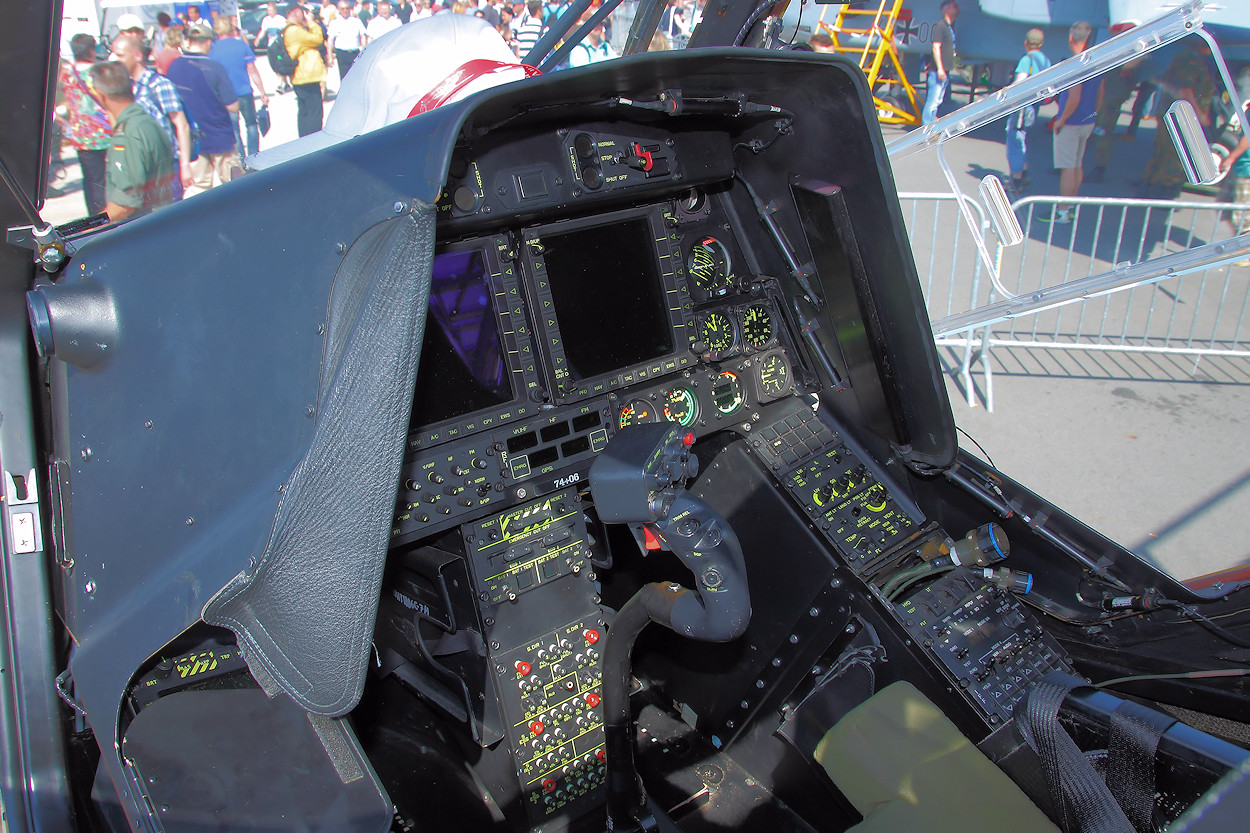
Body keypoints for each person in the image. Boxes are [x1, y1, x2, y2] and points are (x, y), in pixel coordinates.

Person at [87, 61, 174, 221]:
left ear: (100, 95)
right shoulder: (147, 122)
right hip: (162, 221)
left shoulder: (127, 135)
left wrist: (90, 229)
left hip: (141, 228)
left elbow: (125, 204)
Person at [110, 34, 193, 199]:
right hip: (139, 167)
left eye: (120, 55)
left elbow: (182, 126)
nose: (113, 59)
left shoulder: (159, 85)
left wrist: (185, 165)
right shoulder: (125, 87)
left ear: (138, 56)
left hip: (165, 166)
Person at [1139, 39, 1216, 199]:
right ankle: (1165, 192)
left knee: (1163, 151)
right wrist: (1200, 115)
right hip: (1181, 115)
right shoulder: (1191, 59)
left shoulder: (1191, 57)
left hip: (1177, 113)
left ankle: (1149, 188)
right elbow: (1185, 90)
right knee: (1175, 154)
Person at [167, 23, 240, 192]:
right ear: (208, 42)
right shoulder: (215, 68)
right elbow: (233, 106)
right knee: (233, 186)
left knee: (197, 188)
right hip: (220, 137)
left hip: (192, 141)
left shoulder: (174, 67)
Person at [1045, 21, 1097, 224]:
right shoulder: (1094, 61)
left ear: (1070, 38)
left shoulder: (1074, 64)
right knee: (1077, 165)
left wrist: (1061, 120)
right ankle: (1071, 206)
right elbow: (1099, 93)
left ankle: (1062, 212)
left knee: (1067, 167)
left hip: (1072, 122)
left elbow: (1074, 97)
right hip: (1087, 121)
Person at [57, 34, 113, 216]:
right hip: (104, 133)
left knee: (90, 179)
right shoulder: (100, 71)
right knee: (109, 179)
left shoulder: (66, 73)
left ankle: (95, 216)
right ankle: (108, 215)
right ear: (91, 50)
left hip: (80, 134)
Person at [1087, 22, 1142, 183]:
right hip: (1105, 95)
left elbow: (1131, 65)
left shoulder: (1132, 48)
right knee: (1095, 129)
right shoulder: (1119, 46)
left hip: (1111, 97)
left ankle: (1099, 168)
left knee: (1103, 132)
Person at [210, 17, 269, 158]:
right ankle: (254, 156)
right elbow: (252, 70)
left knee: (234, 129)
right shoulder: (242, 46)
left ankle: (241, 158)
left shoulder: (212, 50)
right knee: (251, 124)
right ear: (230, 29)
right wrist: (262, 92)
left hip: (226, 96)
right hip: (245, 92)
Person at [1004, 28, 1050, 193]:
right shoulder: (1045, 60)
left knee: (1014, 140)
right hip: (1033, 107)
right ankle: (1024, 172)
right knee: (1022, 138)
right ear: (1041, 43)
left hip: (1021, 107)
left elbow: (1020, 81)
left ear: (1026, 42)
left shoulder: (1027, 59)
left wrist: (1007, 94)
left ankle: (1016, 180)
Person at [285, 2, 328, 137]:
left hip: (303, 76)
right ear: (296, 12)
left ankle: (304, 140)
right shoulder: (294, 31)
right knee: (314, 113)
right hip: (306, 77)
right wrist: (312, 22)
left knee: (304, 112)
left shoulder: (295, 29)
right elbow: (317, 39)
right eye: (302, 13)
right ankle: (313, 141)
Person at [923, 1, 958, 125]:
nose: (957, 9)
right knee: (932, 102)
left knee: (937, 101)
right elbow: (935, 47)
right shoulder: (940, 26)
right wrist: (940, 69)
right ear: (946, 10)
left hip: (944, 70)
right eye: (954, 6)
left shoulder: (949, 27)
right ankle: (926, 129)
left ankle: (930, 126)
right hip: (937, 72)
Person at [328, 0, 367, 78]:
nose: (345, 10)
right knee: (344, 77)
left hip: (355, 53)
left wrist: (364, 51)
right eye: (342, 8)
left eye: (347, 8)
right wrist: (330, 56)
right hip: (342, 54)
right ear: (338, 9)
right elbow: (330, 40)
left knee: (356, 77)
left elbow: (363, 36)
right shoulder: (334, 23)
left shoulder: (356, 21)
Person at [258, 2, 291, 91]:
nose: (269, 12)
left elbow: (285, 31)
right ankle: (286, 83)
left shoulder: (280, 19)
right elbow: (263, 31)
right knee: (273, 64)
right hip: (270, 44)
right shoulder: (266, 20)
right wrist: (257, 39)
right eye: (268, 10)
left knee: (279, 63)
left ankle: (280, 84)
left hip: (279, 45)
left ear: (275, 10)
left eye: (271, 10)